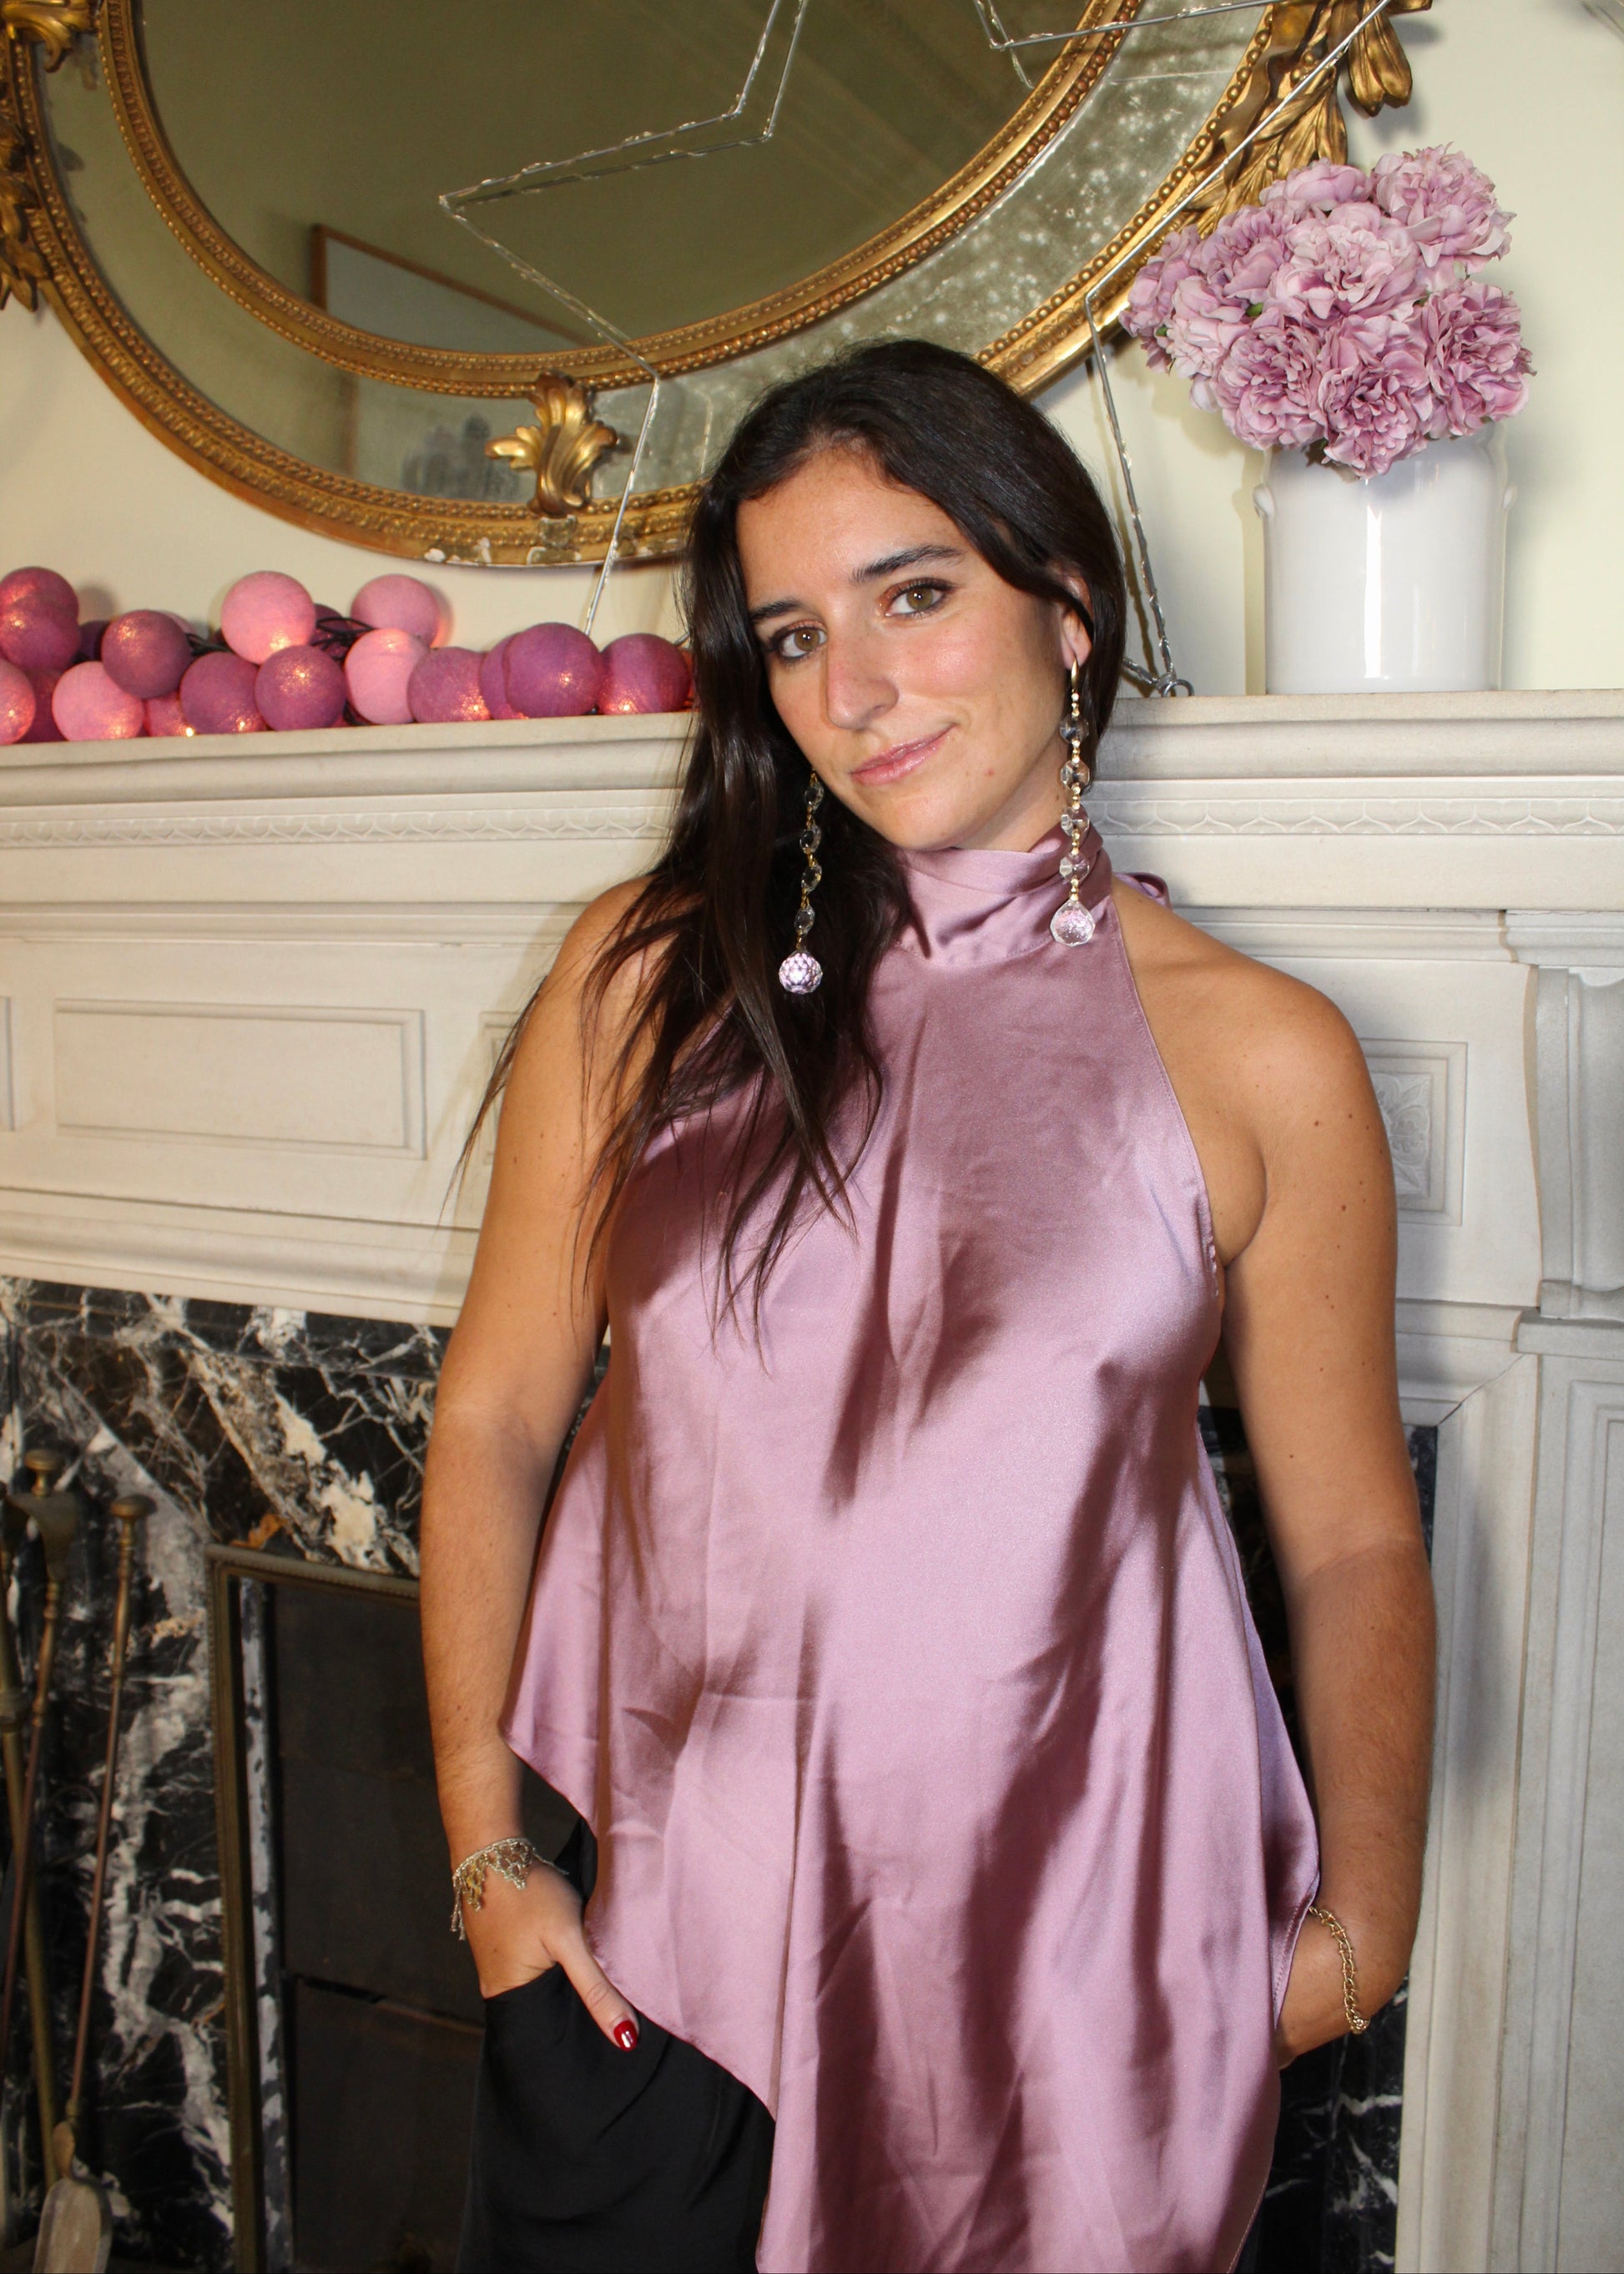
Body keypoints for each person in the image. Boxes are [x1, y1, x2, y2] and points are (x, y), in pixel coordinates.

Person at [421, 339, 1435, 2274]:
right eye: (794, 637)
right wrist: (487, 1846)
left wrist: (1358, 1923)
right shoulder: (648, 981)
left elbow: (1355, 1539)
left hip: (1072, 2003)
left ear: (1066, 607)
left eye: (912, 595)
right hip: (647, 1977)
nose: (853, 692)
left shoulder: (1259, 1055)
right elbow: (491, 1415)